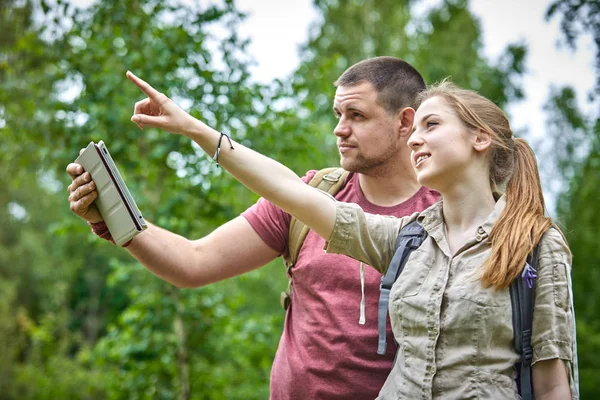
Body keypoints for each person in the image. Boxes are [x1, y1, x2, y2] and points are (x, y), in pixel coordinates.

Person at [101, 73, 577, 399]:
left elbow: (554, 382)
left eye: (431, 125)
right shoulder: (406, 240)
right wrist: (195, 130)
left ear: (480, 140)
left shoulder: (534, 245)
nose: (416, 140)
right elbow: (290, 193)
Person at [66, 57, 440, 399]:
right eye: (337, 114)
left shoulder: (447, 215)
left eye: (356, 115)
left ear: (405, 122)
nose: (339, 130)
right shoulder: (309, 195)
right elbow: (193, 262)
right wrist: (110, 219)